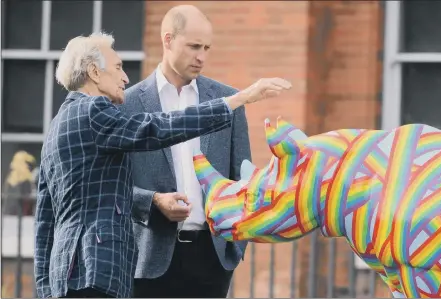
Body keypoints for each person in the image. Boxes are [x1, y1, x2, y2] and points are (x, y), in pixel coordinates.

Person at [33, 31, 291, 298]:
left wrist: (43, 288)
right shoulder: (94, 111)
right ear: (94, 73)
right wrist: (236, 101)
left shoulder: (56, 126)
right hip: (96, 273)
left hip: (65, 276)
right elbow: (157, 127)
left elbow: (44, 220)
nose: (125, 78)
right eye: (119, 67)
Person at [119, 5, 251, 298]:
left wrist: (234, 247)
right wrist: (153, 201)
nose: (201, 56)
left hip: (212, 259)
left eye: (206, 47)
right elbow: (113, 186)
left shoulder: (228, 101)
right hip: (146, 258)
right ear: (168, 40)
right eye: (193, 46)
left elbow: (243, 180)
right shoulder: (126, 105)